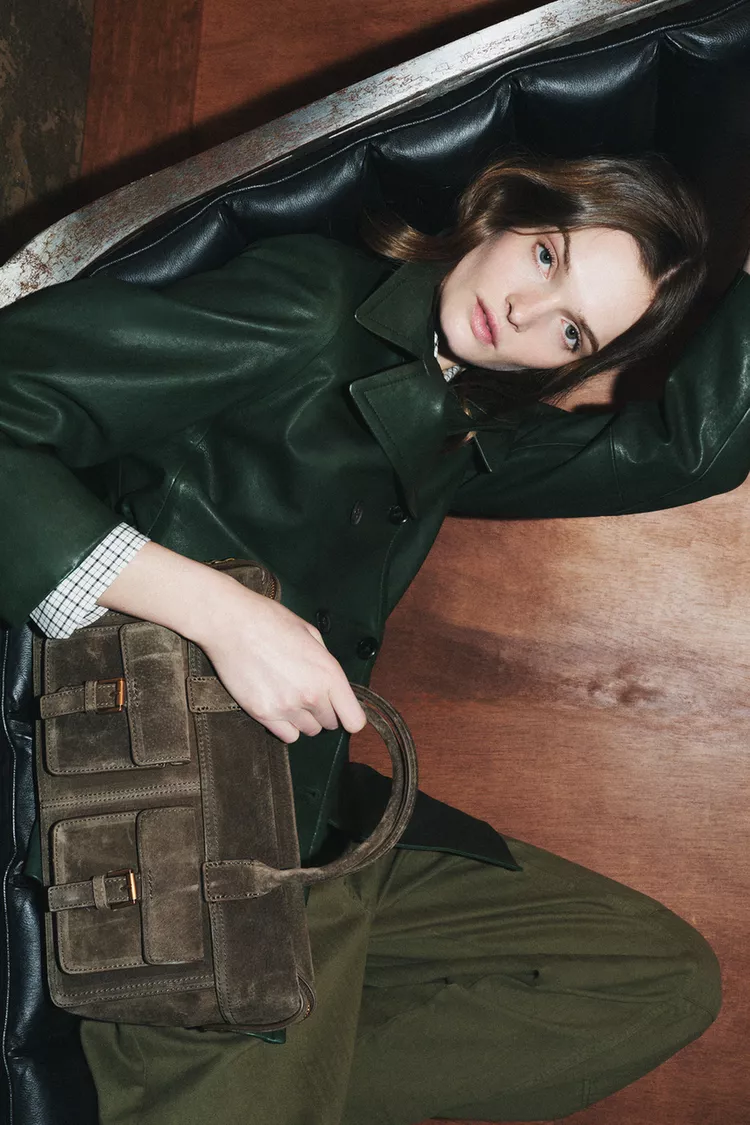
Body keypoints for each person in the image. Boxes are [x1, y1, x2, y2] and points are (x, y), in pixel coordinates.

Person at [2, 152, 749, 1125]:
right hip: (179, 829)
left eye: (572, 330)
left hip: (315, 825)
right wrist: (219, 611)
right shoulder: (315, 311)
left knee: (651, 978)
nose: (525, 314)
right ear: (503, 211)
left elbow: (686, 452)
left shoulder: (447, 414)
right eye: (546, 256)